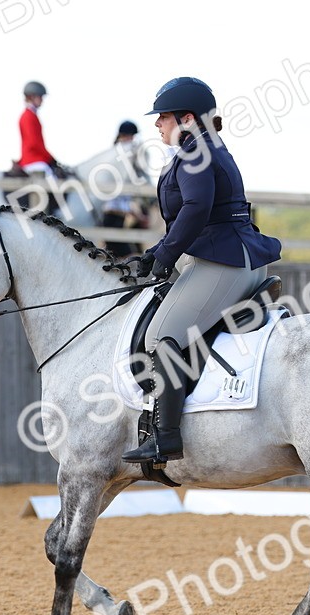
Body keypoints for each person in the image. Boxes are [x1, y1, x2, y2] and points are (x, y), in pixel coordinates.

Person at [120, 77, 282, 467]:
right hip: (223, 255)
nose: (158, 124)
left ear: (187, 117)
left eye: (164, 116)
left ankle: (165, 438)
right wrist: (158, 252)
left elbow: (195, 209)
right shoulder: (200, 148)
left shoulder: (197, 151)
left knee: (161, 334)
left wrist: (164, 253)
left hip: (222, 261)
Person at [101, 120, 149, 257]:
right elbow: (117, 199)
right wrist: (138, 216)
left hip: (118, 216)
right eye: (130, 136)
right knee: (126, 255)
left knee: (119, 254)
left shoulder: (123, 159)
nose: (132, 139)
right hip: (113, 215)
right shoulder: (119, 159)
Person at [17, 80, 63, 178]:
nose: (42, 100)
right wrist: (50, 158)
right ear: (32, 96)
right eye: (40, 97)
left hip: (36, 159)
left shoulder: (31, 115)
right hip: (34, 160)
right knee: (54, 182)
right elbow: (34, 143)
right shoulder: (28, 116)